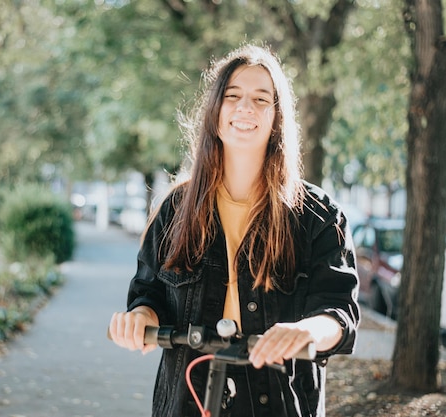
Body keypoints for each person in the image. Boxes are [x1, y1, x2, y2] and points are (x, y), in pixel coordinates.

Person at [109, 43, 360, 417]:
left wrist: (307, 331)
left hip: (279, 403)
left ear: (277, 117)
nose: (246, 107)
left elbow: (338, 313)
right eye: (233, 95)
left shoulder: (318, 215)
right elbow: (149, 295)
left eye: (262, 99)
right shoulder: (175, 210)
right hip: (188, 402)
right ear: (214, 112)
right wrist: (139, 319)